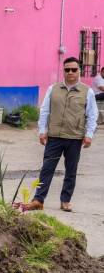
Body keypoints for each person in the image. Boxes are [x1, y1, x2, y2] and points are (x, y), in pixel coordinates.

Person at [24, 57, 98, 212]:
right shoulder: (53, 89)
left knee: (71, 171)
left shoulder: (87, 92)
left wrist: (89, 134)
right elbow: (45, 110)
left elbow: (92, 115)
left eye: (74, 69)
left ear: (79, 70)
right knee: (47, 169)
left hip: (74, 138)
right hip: (55, 137)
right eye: (67, 69)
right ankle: (38, 200)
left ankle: (65, 201)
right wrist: (42, 131)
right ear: (63, 71)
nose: (70, 72)